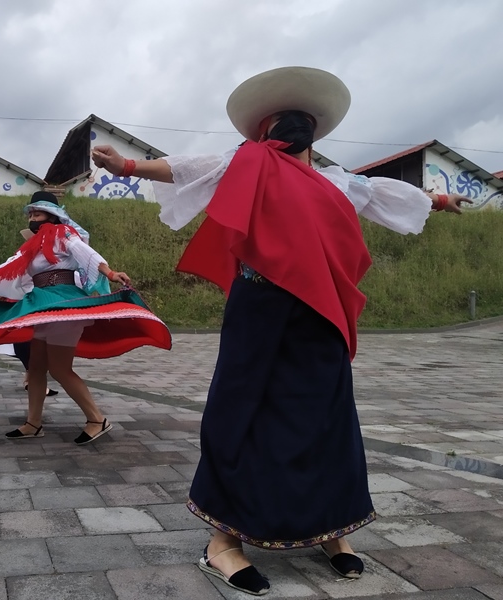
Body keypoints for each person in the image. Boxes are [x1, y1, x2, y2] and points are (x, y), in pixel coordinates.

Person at [91, 66, 472, 595]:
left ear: (314, 134)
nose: (293, 131)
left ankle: (330, 529)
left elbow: (382, 193)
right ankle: (222, 542)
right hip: (260, 307)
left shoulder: (337, 181)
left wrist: (439, 199)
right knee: (243, 410)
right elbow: (188, 168)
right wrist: (127, 164)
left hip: (322, 312)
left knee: (327, 414)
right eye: (283, 123)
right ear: (263, 131)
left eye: (303, 124)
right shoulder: (243, 163)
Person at [0, 191, 172, 444]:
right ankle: (33, 423)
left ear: (52, 216)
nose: (32, 217)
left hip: (63, 304)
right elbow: (10, 269)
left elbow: (84, 252)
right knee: (36, 369)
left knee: (60, 369)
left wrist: (109, 272)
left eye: (37, 213)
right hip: (43, 304)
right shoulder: (32, 247)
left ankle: (97, 419)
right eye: (30, 213)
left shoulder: (63, 234)